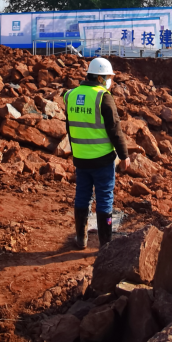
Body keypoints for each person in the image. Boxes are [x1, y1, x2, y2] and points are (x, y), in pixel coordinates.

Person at [63, 57, 132, 249]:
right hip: (102, 160)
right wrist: (124, 155)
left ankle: (80, 239)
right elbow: (115, 129)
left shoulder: (70, 95)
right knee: (104, 198)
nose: (111, 81)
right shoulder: (102, 97)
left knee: (82, 196)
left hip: (81, 158)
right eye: (109, 77)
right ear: (100, 78)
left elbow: (70, 123)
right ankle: (105, 245)